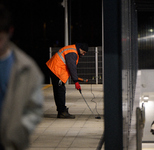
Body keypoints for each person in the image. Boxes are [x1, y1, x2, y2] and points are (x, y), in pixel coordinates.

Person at [0, 4, 44, 150]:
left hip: (12, 144)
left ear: (9, 32)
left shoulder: (27, 69)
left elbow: (35, 108)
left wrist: (19, 131)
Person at [46, 43, 88, 119]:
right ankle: (62, 112)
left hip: (54, 69)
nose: (83, 54)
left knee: (58, 90)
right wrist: (76, 81)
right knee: (60, 91)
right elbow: (72, 67)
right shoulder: (72, 52)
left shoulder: (73, 49)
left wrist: (76, 79)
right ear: (80, 49)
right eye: (84, 52)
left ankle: (61, 110)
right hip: (56, 70)